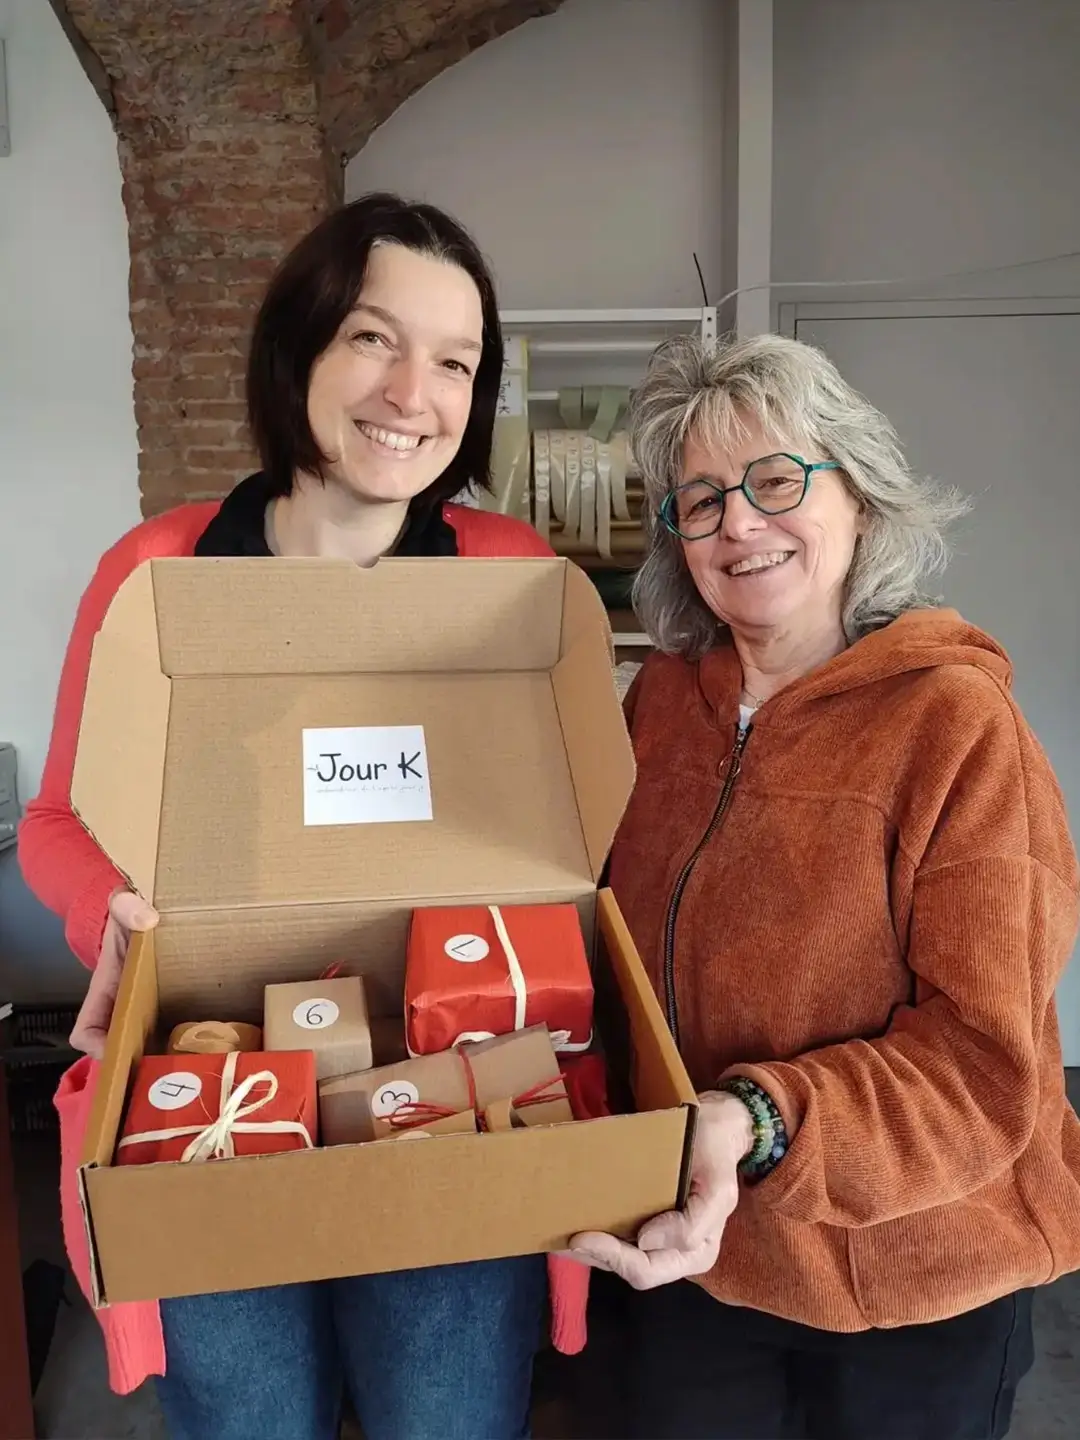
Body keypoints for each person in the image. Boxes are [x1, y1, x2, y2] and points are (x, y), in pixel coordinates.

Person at [19, 192, 553, 1440]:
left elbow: (555, 837)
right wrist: (113, 920)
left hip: (445, 1094)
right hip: (206, 1101)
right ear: (298, 346)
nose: (413, 393)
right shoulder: (158, 570)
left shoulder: (508, 572)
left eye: (456, 361)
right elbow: (55, 821)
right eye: (373, 338)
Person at [568, 332, 1080, 1440]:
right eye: (701, 499)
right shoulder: (660, 704)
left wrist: (757, 1118)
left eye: (776, 479)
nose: (739, 524)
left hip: (915, 1278)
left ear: (861, 495)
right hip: (702, 1257)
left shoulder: (957, 726)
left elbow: (985, 1065)